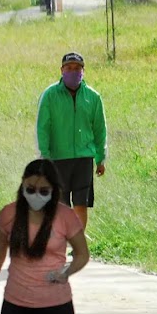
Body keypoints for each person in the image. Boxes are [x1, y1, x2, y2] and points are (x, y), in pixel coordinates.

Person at [0, 159, 90, 314]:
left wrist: (66, 272)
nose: (36, 195)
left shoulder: (65, 216)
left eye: (44, 191)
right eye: (30, 189)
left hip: (57, 306)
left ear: (54, 190)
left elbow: (82, 254)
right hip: (16, 305)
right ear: (22, 184)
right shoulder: (8, 214)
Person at [36, 52, 107, 229]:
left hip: (84, 158)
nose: (73, 72)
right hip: (58, 158)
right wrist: (43, 155)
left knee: (81, 204)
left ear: (83, 71)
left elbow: (100, 130)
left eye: (77, 68)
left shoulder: (93, 97)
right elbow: (42, 127)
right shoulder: (50, 95)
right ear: (61, 70)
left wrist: (101, 158)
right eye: (69, 68)